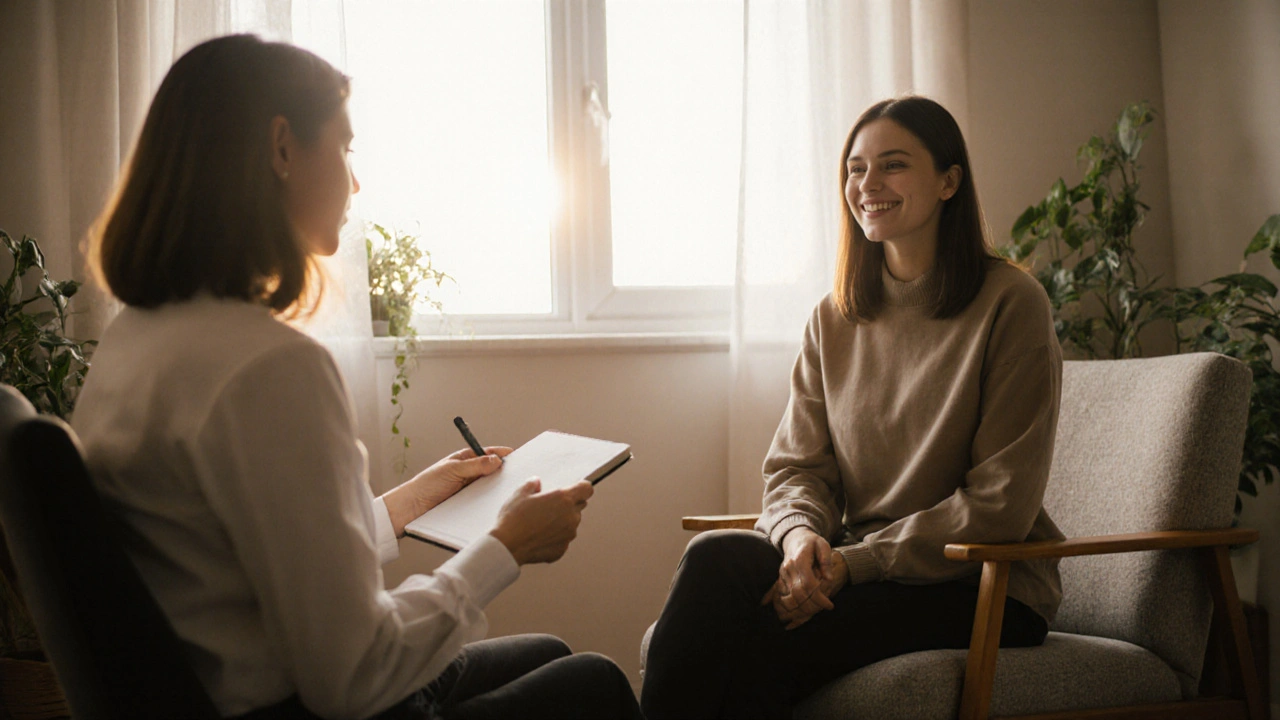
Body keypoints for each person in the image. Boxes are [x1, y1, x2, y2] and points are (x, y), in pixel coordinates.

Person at [73, 34, 642, 720]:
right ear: (282, 148)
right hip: (310, 705)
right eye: (345, 149)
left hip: (237, 685)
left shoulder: (136, 338)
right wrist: (505, 549)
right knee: (596, 685)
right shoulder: (270, 368)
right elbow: (352, 677)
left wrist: (407, 502)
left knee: (550, 652)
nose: (356, 180)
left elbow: (236, 557)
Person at [640, 95, 1065, 719]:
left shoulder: (1011, 303)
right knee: (715, 559)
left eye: (892, 165)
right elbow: (796, 471)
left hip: (982, 583)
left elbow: (999, 505)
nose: (868, 185)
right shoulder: (833, 317)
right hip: (855, 563)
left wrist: (854, 565)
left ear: (949, 181)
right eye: (856, 168)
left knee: (753, 647)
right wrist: (800, 541)